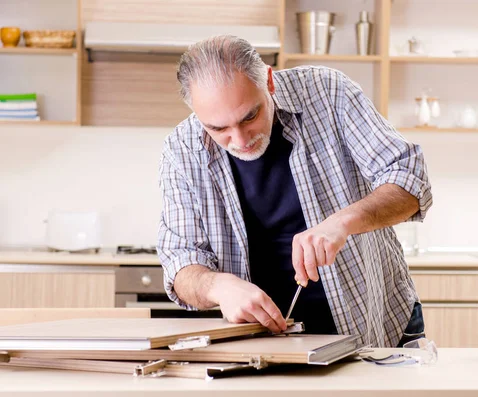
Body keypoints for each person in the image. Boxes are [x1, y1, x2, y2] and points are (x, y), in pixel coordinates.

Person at [157, 35, 433, 348]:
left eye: (250, 116)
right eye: (218, 128)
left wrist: (343, 222)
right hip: (264, 344)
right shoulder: (181, 150)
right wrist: (219, 287)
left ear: (269, 82)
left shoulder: (328, 93)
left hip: (376, 323)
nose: (240, 139)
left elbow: (410, 178)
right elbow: (181, 264)